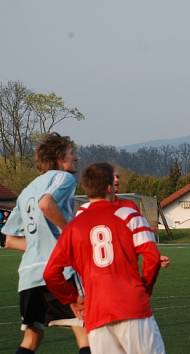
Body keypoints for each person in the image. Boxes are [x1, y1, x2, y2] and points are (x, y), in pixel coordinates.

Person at [43, 163, 166, 354]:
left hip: (96, 313)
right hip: (132, 306)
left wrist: (72, 299)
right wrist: (145, 289)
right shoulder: (129, 214)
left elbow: (51, 273)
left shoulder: (74, 226)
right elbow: (153, 257)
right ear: (110, 187)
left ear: (87, 188)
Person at [1, 133, 91, 354]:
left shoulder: (25, 192)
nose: (76, 158)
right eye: (72, 153)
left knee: (32, 337)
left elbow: (8, 239)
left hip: (29, 275)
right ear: (60, 157)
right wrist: (71, 234)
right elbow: (46, 203)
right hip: (59, 272)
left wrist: (36, 245)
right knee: (86, 327)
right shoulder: (63, 178)